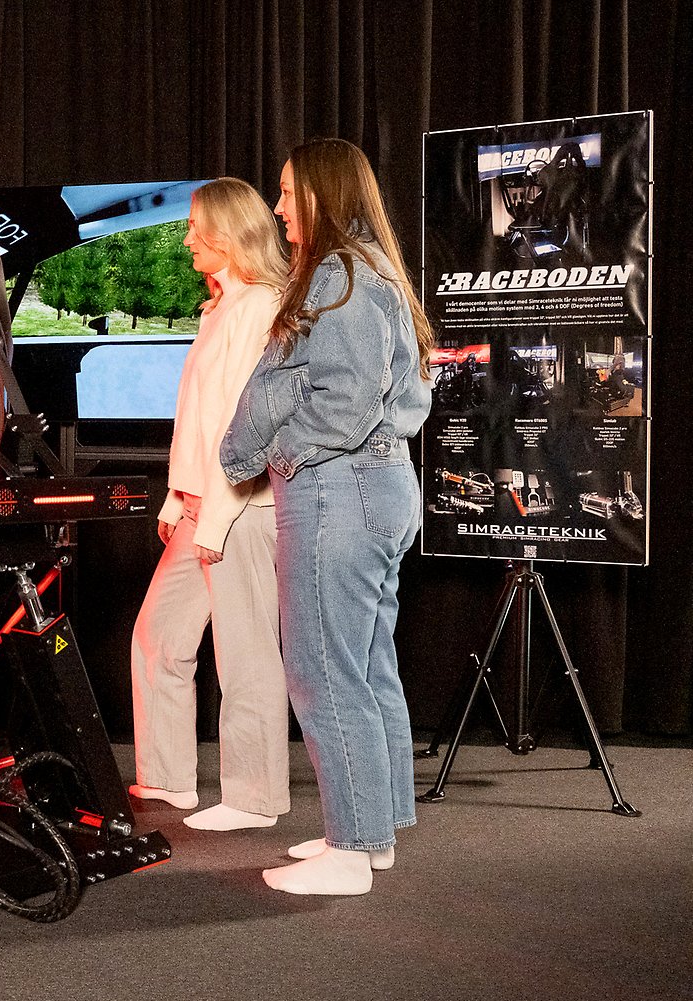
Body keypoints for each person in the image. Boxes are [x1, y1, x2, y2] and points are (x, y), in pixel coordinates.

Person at [221, 138, 433, 895]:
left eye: (286, 191)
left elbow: (344, 400)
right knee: (367, 666)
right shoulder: (372, 269)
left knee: (321, 668)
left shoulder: (339, 273)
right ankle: (372, 831)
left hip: (337, 490)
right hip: (377, 487)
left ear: (321, 192)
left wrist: (279, 452)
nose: (278, 207)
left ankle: (352, 849)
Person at [128, 177, 291, 832]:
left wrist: (217, 515)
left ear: (230, 231)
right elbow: (198, 417)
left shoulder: (260, 305)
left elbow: (242, 424)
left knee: (245, 654)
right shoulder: (219, 306)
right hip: (202, 505)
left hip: (239, 508)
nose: (187, 237)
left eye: (197, 225)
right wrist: (178, 495)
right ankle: (168, 777)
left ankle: (253, 798)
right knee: (158, 637)